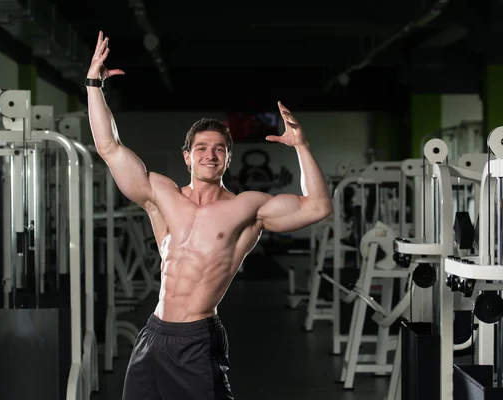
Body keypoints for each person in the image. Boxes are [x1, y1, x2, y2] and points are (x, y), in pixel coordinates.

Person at [86, 31, 333, 400]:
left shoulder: (247, 207)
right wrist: (93, 85)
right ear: (187, 156)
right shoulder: (161, 194)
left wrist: (301, 145)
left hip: (196, 338)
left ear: (228, 158)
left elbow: (317, 206)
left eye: (219, 149)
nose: (210, 154)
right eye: (201, 148)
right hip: (153, 333)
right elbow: (109, 147)